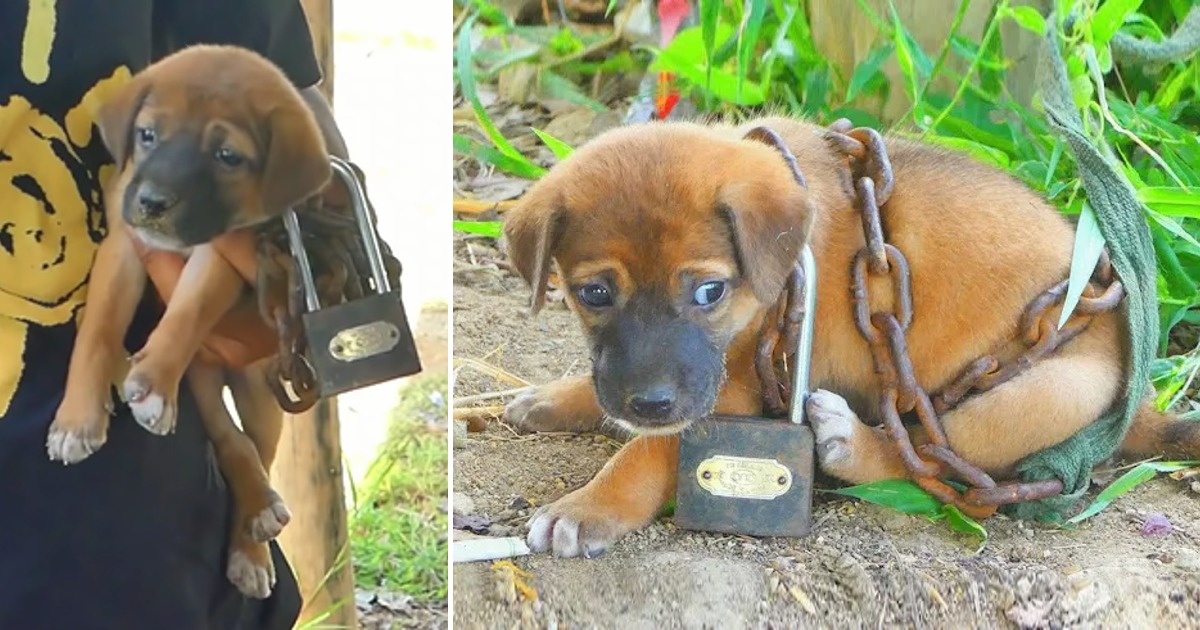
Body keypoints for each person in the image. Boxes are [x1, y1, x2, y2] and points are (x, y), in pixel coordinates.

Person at [0, 1, 351, 628]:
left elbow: (292, 103)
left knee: (237, 399)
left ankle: (249, 497)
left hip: (126, 522)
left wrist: (324, 255)